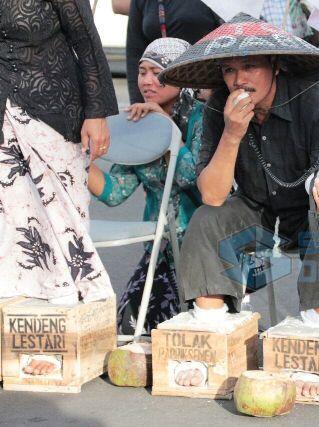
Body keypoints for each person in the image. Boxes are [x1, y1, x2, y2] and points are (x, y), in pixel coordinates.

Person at [158, 14, 319, 397]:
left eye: (250, 66)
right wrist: (233, 133)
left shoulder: (315, 102)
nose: (239, 79)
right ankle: (212, 332)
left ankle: (316, 341)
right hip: (259, 205)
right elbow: (213, 195)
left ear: (275, 65)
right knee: (208, 220)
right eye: (229, 69)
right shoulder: (218, 107)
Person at [0, 0, 118, 375]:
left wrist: (96, 113)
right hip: (3, 116)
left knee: (60, 222)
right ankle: (20, 329)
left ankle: (63, 321)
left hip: (53, 108)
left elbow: (85, 41)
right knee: (12, 226)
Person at [88, 38, 204, 334]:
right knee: (129, 329)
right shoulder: (138, 123)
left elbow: (191, 178)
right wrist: (78, 160)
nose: (147, 81)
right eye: (142, 71)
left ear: (180, 75)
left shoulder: (202, 119)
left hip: (202, 246)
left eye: (158, 71)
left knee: (185, 332)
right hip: (160, 248)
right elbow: (115, 192)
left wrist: (167, 129)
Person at [126, 0, 223, 103]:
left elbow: (228, 42)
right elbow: (134, 53)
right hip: (158, 86)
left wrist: (216, 95)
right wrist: (137, 103)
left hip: (203, 81)